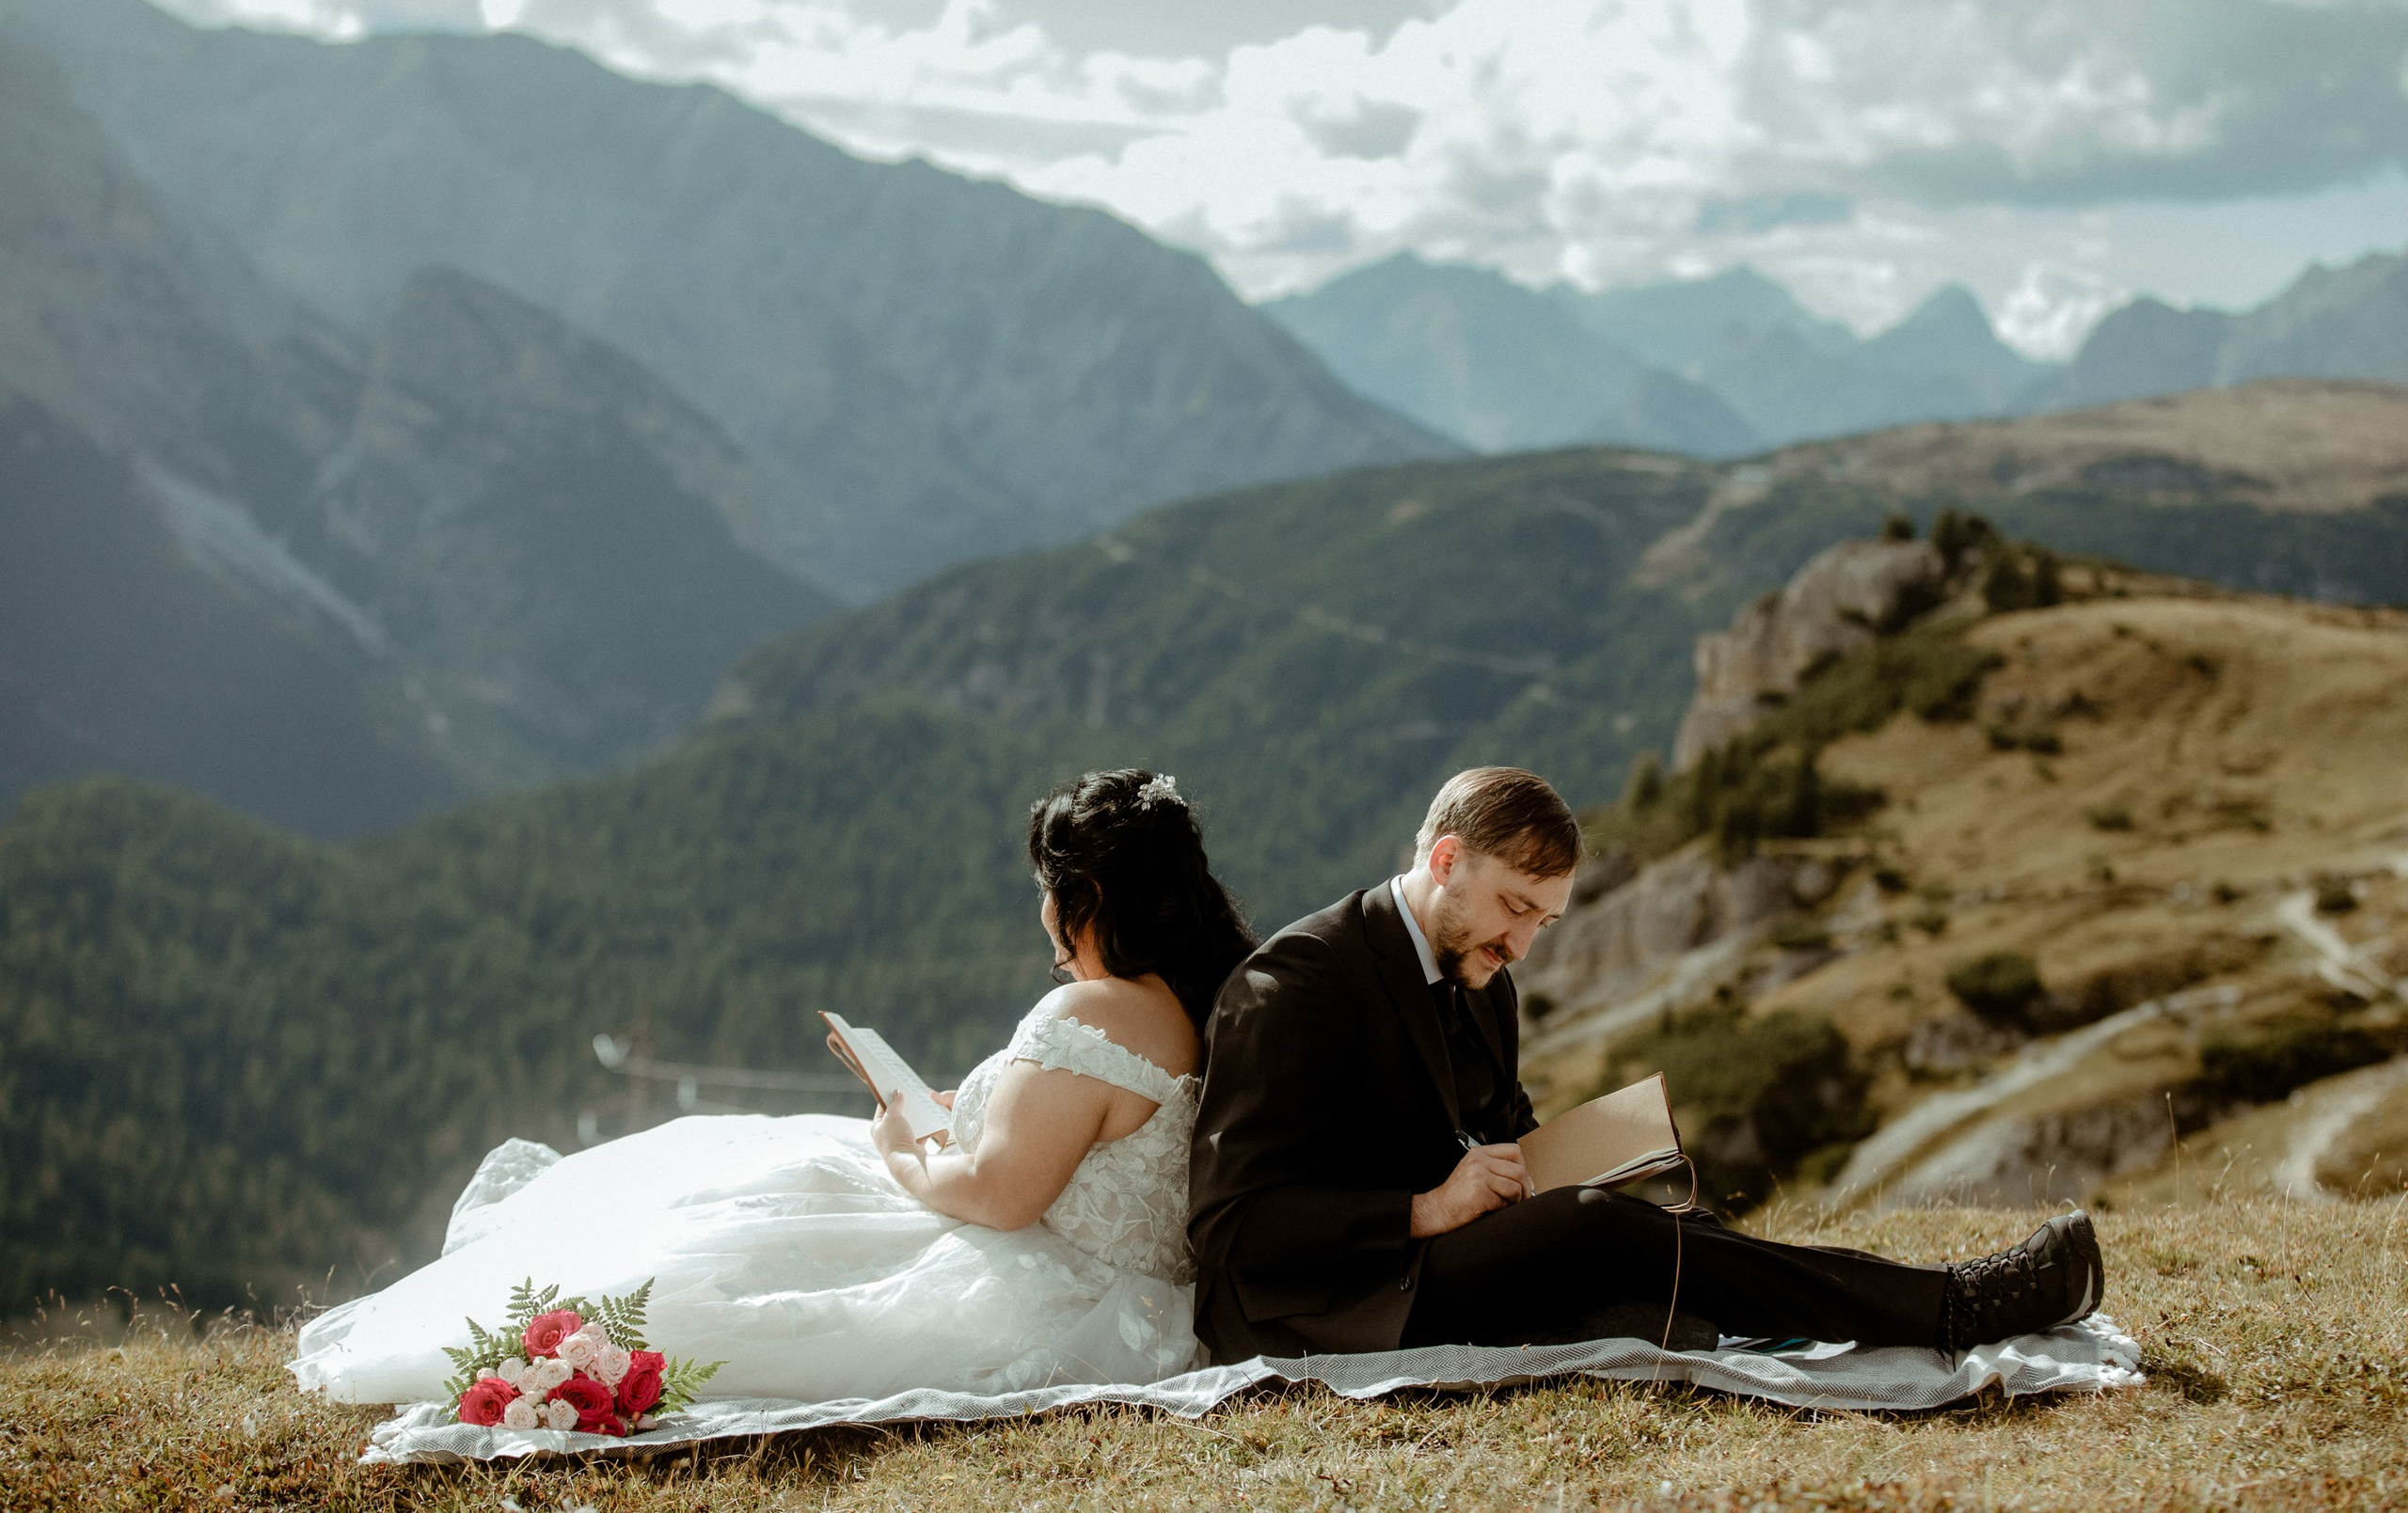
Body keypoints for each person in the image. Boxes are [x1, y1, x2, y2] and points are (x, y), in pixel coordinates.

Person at [293, 769, 1252, 1407]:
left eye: (1049, 884)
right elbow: (1084, 1136)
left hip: (1041, 1275)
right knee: (751, 1177)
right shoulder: (1190, 1003)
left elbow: (1002, 1196)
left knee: (742, 1215)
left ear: (1081, 898)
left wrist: (905, 1151)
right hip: (1139, 1292)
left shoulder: (1084, 1016)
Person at [1186, 765, 2107, 1363]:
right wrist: (1428, 1206)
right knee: (1600, 1230)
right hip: (1314, 1306)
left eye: (1541, 923)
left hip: (1432, 1260)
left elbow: (1501, 1126)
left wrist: (1561, 1158)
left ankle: (1838, 1305)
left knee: (1652, 1219)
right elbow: (1230, 1228)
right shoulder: (1296, 982)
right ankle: (1953, 1307)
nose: (1523, 946)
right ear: (1445, 858)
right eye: (1515, 907)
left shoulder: (1485, 976)